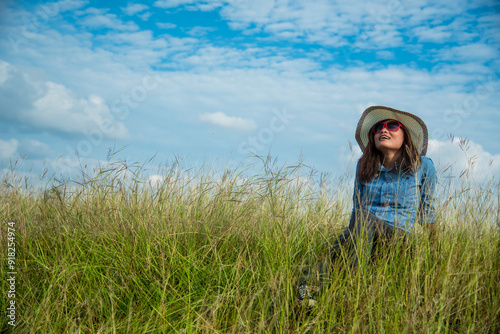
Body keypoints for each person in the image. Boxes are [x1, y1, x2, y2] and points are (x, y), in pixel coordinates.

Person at [297, 106, 438, 305]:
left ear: (406, 135)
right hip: (363, 233)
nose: (383, 130)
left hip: (399, 238)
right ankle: (308, 293)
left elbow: (427, 212)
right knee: (355, 227)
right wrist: (351, 237)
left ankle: (348, 288)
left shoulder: (423, 165)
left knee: (363, 219)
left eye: (391, 126)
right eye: (378, 127)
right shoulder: (363, 166)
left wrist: (436, 252)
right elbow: (356, 207)